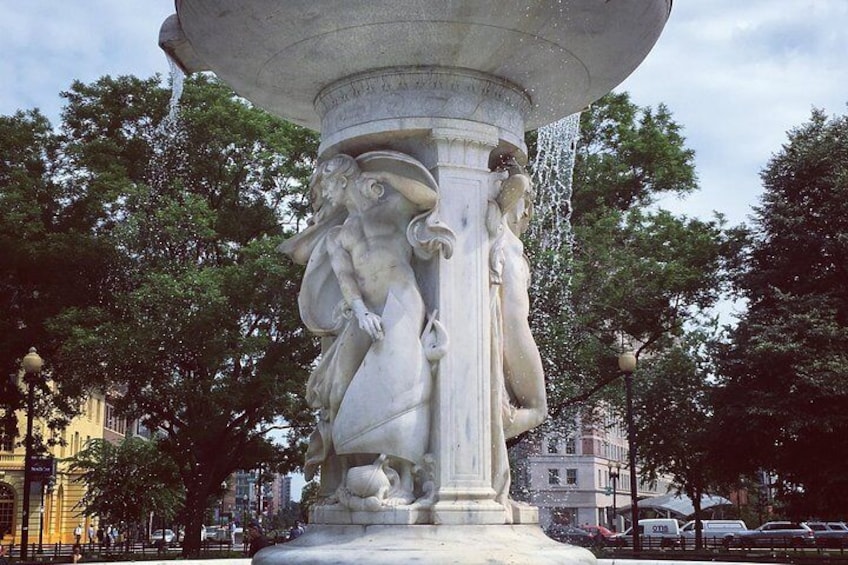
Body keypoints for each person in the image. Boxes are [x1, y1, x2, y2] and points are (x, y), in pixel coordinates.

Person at [280, 151, 451, 506]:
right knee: (338, 386)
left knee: (402, 387)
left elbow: (430, 196)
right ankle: (351, 474)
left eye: (324, 184)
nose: (323, 193)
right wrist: (360, 312)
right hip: (365, 312)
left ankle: (404, 480)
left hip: (402, 304)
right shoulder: (338, 236)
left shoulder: (391, 210)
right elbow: (346, 282)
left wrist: (383, 172)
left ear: (342, 181)